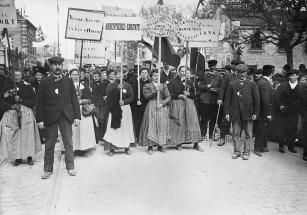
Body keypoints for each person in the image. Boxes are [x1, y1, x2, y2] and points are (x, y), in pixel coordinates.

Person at [36, 56, 81, 179]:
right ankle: (47, 169)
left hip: (66, 116)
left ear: (62, 66)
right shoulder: (45, 81)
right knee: (50, 144)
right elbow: (39, 102)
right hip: (50, 116)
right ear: (51, 66)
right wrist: (39, 119)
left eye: (59, 65)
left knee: (68, 143)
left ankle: (70, 166)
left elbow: (74, 100)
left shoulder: (68, 80)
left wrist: (77, 116)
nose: (57, 67)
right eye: (55, 65)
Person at [0, 70, 42, 166]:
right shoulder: (7, 88)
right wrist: (11, 106)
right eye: (15, 75)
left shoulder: (27, 87)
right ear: (12, 76)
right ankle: (17, 157)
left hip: (26, 115)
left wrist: (21, 100)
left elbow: (33, 101)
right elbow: (2, 101)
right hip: (12, 115)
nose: (17, 76)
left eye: (19, 75)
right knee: (15, 137)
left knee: (27, 135)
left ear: (22, 76)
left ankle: (29, 156)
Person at [224, 64, 260, 160]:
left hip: (248, 114)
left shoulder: (252, 84)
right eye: (240, 72)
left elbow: (257, 100)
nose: (242, 74)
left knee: (249, 134)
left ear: (246, 72)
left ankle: (246, 152)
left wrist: (256, 113)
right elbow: (227, 100)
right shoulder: (232, 84)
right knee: (236, 133)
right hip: (236, 114)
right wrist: (227, 113)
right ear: (236, 73)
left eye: (244, 72)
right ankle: (237, 151)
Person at [167, 66, 203, 151]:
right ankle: (179, 143)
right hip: (179, 104)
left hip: (190, 104)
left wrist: (189, 93)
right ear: (179, 72)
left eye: (185, 71)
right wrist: (179, 95)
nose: (183, 73)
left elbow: (196, 94)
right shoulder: (173, 82)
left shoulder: (191, 82)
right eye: (182, 71)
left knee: (193, 123)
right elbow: (169, 94)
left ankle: (196, 143)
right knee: (180, 123)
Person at [138, 69, 171, 154]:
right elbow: (146, 96)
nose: (156, 77)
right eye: (154, 76)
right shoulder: (147, 85)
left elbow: (168, 97)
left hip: (161, 106)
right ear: (151, 77)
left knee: (161, 125)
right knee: (151, 126)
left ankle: (160, 145)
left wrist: (162, 103)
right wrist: (155, 90)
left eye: (157, 75)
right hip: (151, 106)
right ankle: (150, 147)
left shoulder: (163, 85)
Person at [103, 70, 135, 156]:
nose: (120, 75)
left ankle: (126, 147)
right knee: (114, 129)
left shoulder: (128, 85)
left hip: (125, 109)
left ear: (124, 75)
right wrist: (117, 89)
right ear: (115, 75)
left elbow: (131, 97)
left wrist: (124, 102)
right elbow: (109, 97)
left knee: (125, 128)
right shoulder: (111, 85)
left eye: (122, 74)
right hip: (114, 109)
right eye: (118, 74)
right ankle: (112, 148)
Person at [67, 68, 96, 154]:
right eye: (73, 74)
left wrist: (81, 101)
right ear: (70, 75)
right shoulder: (66, 86)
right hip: (71, 110)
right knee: (73, 130)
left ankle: (84, 149)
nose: (75, 76)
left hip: (83, 110)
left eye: (76, 74)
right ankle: (74, 149)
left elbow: (90, 99)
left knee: (84, 130)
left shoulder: (84, 86)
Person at [275, 69, 303, 153]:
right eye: (289, 75)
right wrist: (280, 105)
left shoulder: (301, 87)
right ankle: (281, 146)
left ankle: (291, 146)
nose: (290, 77)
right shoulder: (282, 86)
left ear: (297, 76)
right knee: (282, 128)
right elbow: (276, 97)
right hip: (283, 111)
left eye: (293, 75)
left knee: (293, 129)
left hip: (294, 112)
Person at [198, 60, 223, 140]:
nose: (212, 67)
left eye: (214, 66)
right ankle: (203, 134)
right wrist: (207, 87)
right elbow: (199, 87)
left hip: (214, 101)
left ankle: (211, 135)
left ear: (216, 66)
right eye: (210, 66)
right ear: (208, 67)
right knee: (204, 119)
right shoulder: (204, 75)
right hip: (204, 100)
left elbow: (222, 89)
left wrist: (216, 90)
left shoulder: (219, 76)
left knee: (213, 119)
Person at [217, 60, 240, 146]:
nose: (235, 67)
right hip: (228, 102)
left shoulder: (244, 77)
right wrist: (220, 98)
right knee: (225, 121)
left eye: (237, 65)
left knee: (238, 123)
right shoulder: (228, 76)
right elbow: (222, 88)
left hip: (239, 103)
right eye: (233, 65)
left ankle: (237, 141)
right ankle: (222, 138)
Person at [253, 65, 274, 157]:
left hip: (259, 110)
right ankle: (257, 148)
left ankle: (261, 147)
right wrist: (268, 113)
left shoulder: (260, 81)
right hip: (262, 111)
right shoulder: (265, 83)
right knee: (260, 130)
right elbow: (265, 100)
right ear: (271, 73)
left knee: (261, 129)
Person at [128, 67, 151, 145]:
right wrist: (136, 100)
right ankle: (137, 137)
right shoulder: (136, 82)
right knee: (137, 121)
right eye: (142, 73)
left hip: (146, 104)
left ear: (148, 74)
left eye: (145, 73)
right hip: (137, 105)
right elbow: (133, 93)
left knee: (145, 121)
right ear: (140, 74)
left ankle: (144, 137)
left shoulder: (150, 83)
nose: (144, 74)